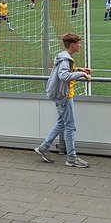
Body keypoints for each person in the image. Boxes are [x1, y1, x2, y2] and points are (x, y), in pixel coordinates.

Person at [35, 33, 92, 168]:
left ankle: (43, 148)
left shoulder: (64, 57)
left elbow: (66, 71)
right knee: (70, 127)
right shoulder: (65, 59)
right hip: (64, 97)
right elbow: (64, 75)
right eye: (78, 43)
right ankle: (71, 158)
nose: (80, 45)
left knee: (61, 123)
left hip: (64, 96)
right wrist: (82, 74)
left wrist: (78, 69)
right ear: (72, 45)